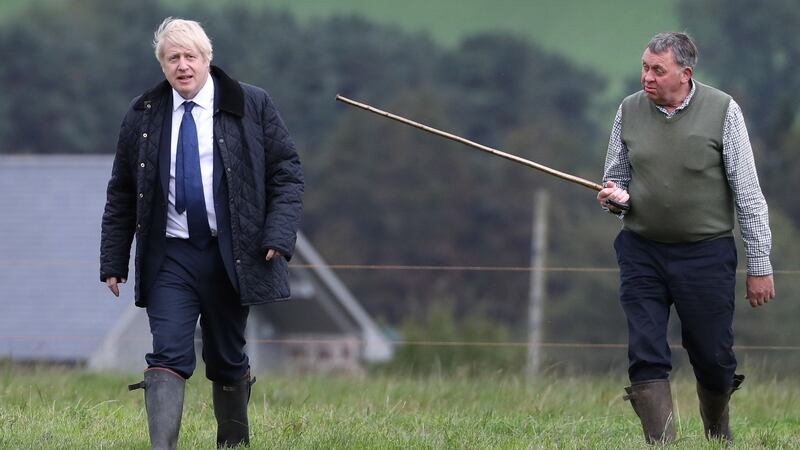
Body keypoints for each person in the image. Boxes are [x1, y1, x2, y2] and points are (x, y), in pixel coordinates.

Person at [100, 17, 303, 449]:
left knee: (227, 358)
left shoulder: (251, 103)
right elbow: (121, 191)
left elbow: (286, 173)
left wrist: (278, 234)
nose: (182, 66)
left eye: (190, 56)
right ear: (162, 66)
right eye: (172, 58)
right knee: (167, 353)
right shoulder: (143, 114)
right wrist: (113, 260)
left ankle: (233, 444)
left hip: (232, 254)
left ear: (207, 60)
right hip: (170, 256)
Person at [597, 32, 775, 445]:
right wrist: (614, 198)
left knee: (713, 357)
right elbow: (616, 179)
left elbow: (749, 196)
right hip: (641, 250)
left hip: (706, 254)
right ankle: (662, 444)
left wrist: (759, 266)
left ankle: (717, 434)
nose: (647, 77)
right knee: (645, 351)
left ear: (685, 74)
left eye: (658, 70)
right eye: (645, 67)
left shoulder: (723, 111)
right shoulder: (628, 110)